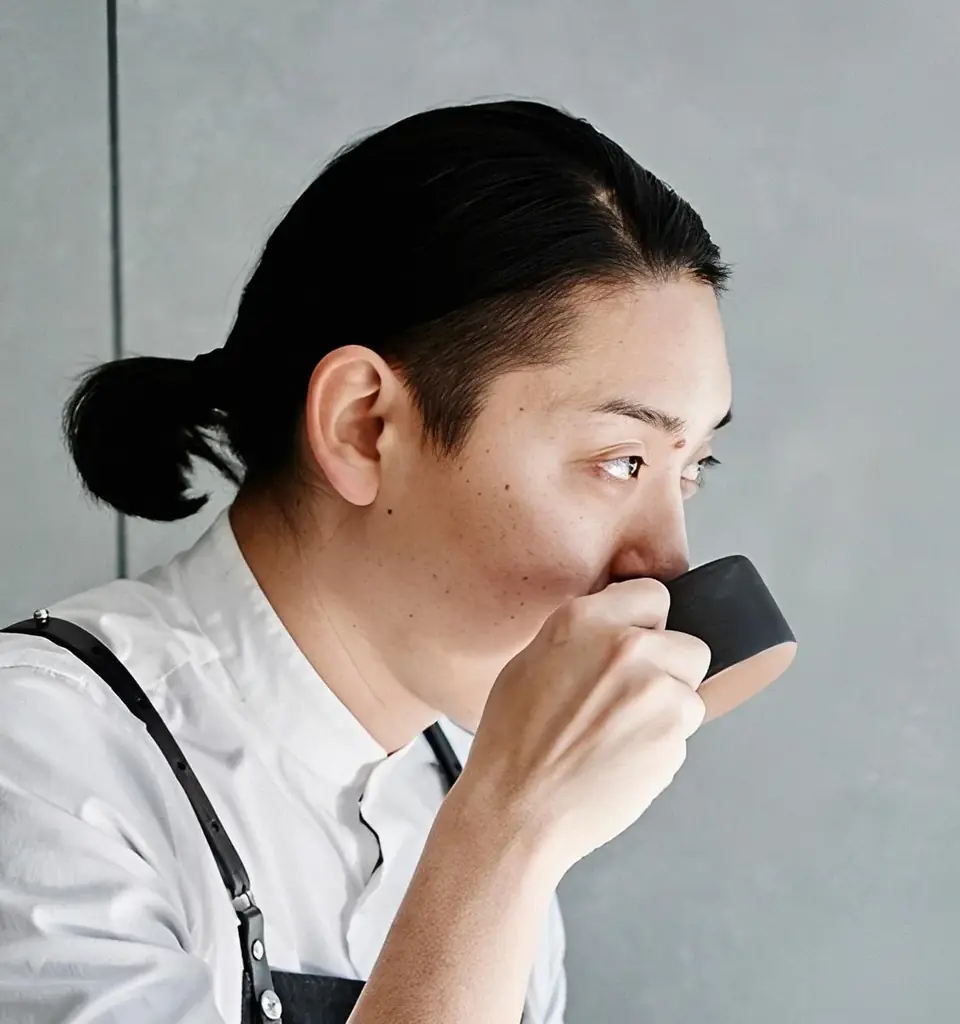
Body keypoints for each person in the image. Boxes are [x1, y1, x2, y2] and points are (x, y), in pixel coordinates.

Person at [0, 98, 732, 1024]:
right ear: (363, 426)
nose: (666, 563)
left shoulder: (469, 792)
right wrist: (502, 844)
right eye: (620, 461)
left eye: (692, 468)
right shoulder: (38, 763)